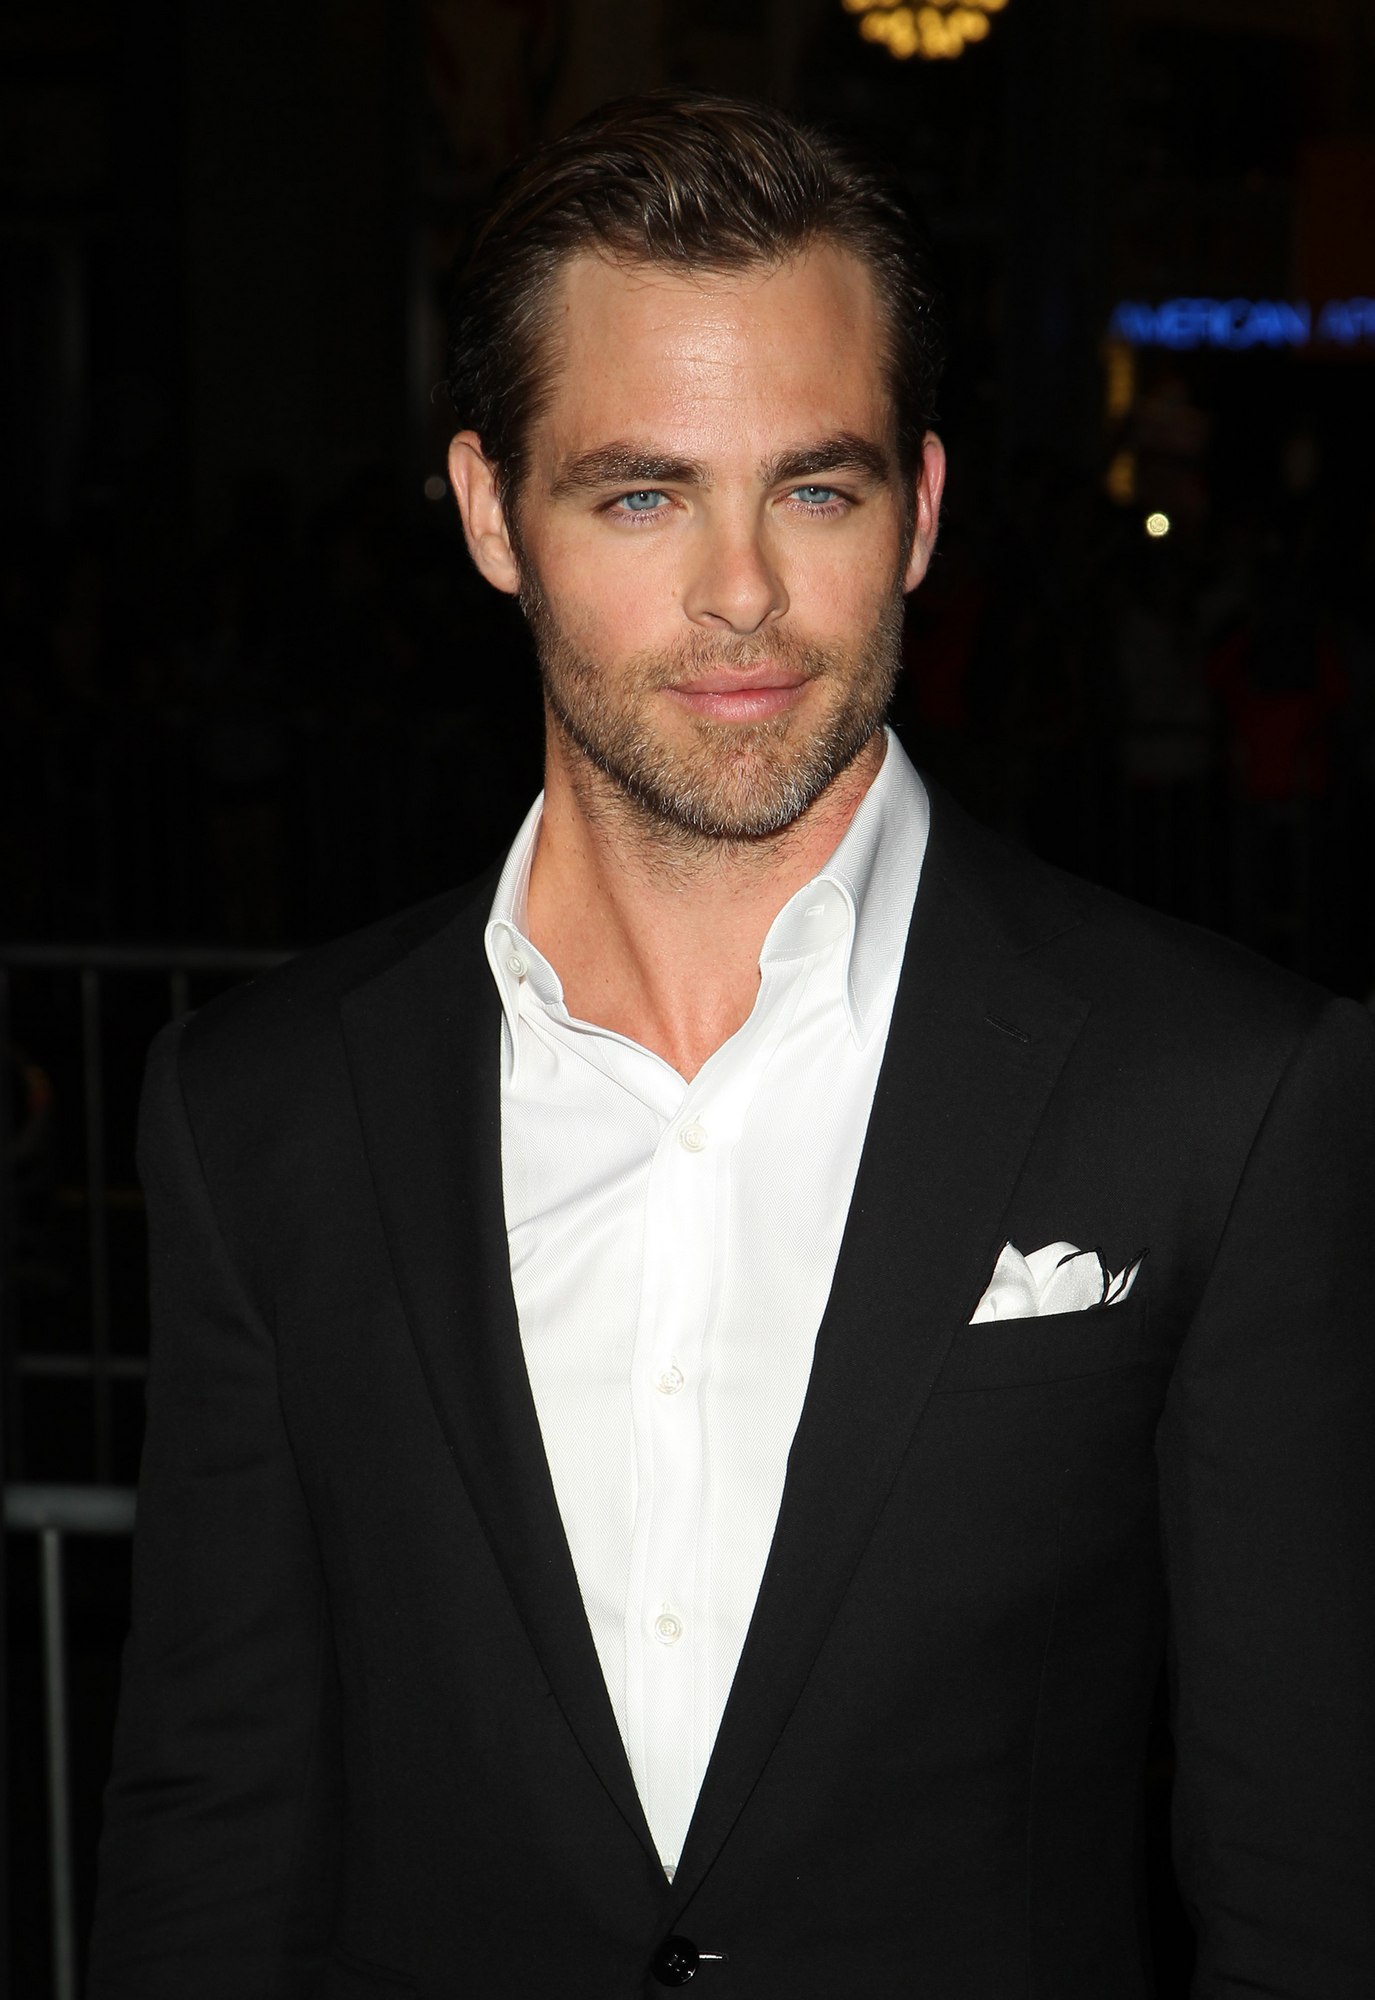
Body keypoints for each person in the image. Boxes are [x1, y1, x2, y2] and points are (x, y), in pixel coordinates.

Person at [89, 92, 1374, 1999]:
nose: (743, 593)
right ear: (488, 514)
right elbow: (215, 1836)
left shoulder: (1226, 1093)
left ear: (920, 506)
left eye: (814, 490)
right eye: (642, 495)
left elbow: (1312, 1889)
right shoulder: (259, 1117)